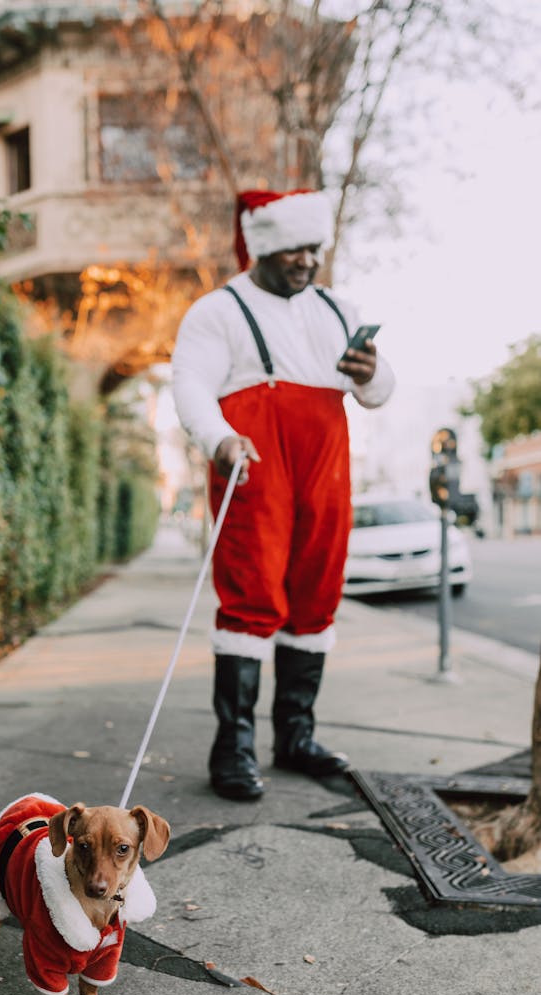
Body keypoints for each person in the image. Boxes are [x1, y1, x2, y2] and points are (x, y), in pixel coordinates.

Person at [171, 189, 395, 801]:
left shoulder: (337, 309)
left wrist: (372, 374)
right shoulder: (218, 311)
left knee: (316, 592)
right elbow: (190, 383)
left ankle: (295, 737)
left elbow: (379, 392)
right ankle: (233, 749)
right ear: (264, 247)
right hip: (254, 462)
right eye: (293, 249)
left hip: (326, 466)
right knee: (251, 594)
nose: (306, 260)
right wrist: (218, 439)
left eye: (313, 249)